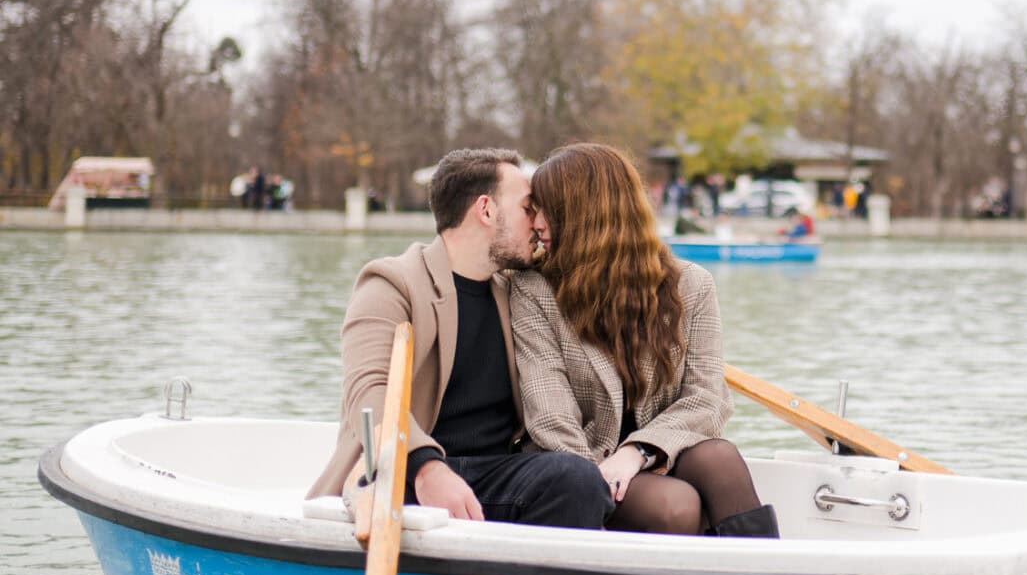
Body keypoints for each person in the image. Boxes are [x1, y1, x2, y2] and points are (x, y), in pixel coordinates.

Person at [307, 146, 612, 540]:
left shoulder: (520, 289)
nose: (538, 223)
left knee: (575, 478)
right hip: (405, 476)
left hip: (496, 473)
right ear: (486, 210)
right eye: (527, 208)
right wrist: (426, 467)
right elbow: (368, 394)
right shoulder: (391, 283)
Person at [510, 143, 779, 538]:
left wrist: (637, 452)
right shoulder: (534, 290)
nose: (537, 225)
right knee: (678, 505)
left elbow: (706, 398)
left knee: (719, 458)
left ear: (585, 214)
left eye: (546, 210)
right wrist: (593, 476)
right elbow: (550, 417)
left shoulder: (691, 286)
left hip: (658, 452)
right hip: (580, 463)